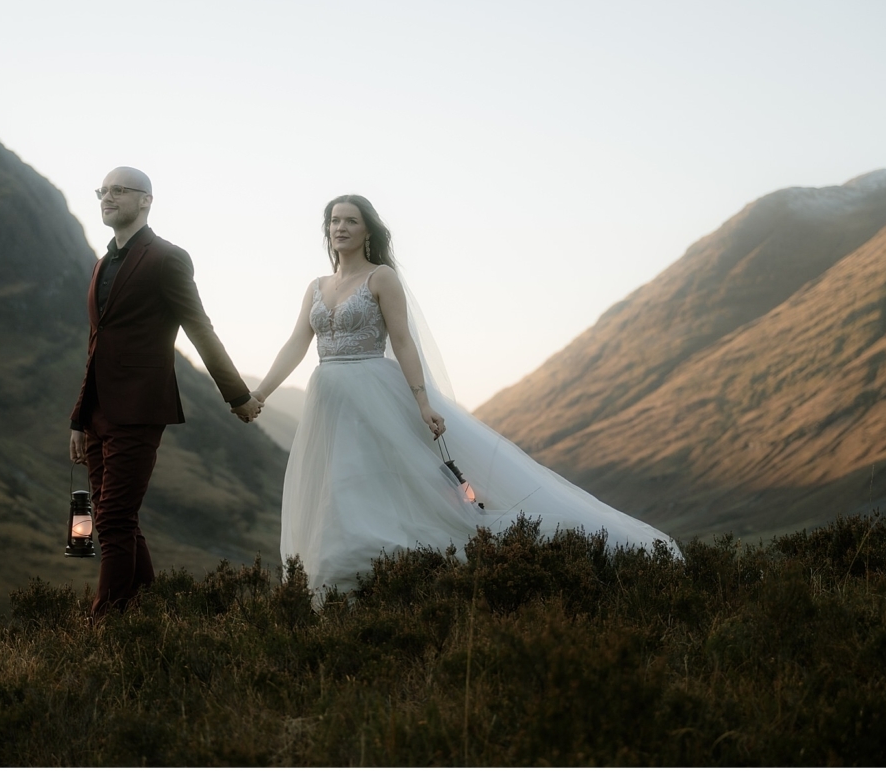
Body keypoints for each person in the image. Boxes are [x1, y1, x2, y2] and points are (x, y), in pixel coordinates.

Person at [251, 195, 679, 593]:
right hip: (327, 398)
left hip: (372, 393)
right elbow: (296, 344)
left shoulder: (381, 278)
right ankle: (336, 577)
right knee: (332, 484)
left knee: (363, 480)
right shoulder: (315, 287)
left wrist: (422, 401)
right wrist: (261, 394)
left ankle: (365, 573)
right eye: (334, 221)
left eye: (350, 221)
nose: (340, 227)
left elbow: (402, 342)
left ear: (368, 231)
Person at [69, 166, 263, 620]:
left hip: (139, 408)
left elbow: (200, 329)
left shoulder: (167, 259)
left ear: (146, 201)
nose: (107, 197)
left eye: (119, 190)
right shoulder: (102, 265)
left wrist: (237, 396)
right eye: (103, 190)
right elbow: (95, 347)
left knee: (114, 519)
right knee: (119, 520)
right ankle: (151, 614)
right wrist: (79, 417)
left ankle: (106, 626)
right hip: (97, 412)